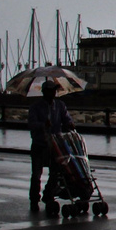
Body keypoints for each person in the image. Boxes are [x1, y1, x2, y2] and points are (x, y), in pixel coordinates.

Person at [28, 79, 75, 210]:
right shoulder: (36, 107)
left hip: (55, 144)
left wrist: (69, 123)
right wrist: (43, 125)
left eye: (55, 90)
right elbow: (31, 123)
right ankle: (34, 199)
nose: (54, 93)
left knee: (56, 172)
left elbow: (66, 118)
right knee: (36, 174)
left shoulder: (60, 105)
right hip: (40, 144)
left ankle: (48, 194)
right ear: (44, 92)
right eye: (51, 91)